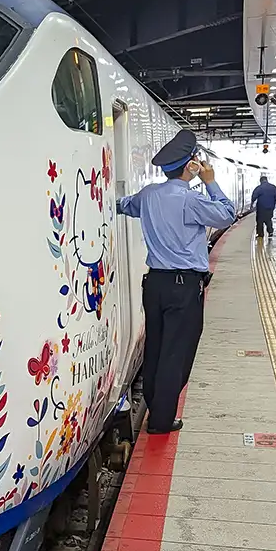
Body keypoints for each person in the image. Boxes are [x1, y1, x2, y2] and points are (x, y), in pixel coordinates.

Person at [118, 129, 236, 434]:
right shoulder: (191, 200)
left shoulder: (148, 196)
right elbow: (227, 214)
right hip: (183, 288)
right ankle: (161, 421)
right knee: (177, 353)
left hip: (154, 285)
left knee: (156, 349)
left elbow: (123, 205)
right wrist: (210, 182)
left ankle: (157, 407)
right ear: (190, 166)